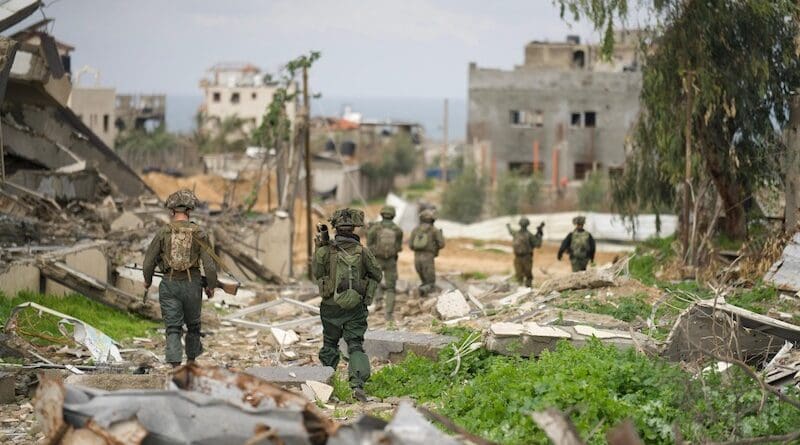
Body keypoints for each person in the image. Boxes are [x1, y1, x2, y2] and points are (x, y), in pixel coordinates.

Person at [312, 208, 382, 401]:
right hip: (355, 307)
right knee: (355, 345)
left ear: (335, 228)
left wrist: (319, 247)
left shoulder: (325, 251)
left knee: (329, 343)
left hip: (330, 306)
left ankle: (325, 384)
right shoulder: (363, 252)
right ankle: (357, 385)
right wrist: (366, 292)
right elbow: (377, 274)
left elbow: (316, 273)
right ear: (354, 229)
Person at [143, 189, 217, 368]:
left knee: (173, 328)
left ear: (172, 211)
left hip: (169, 285)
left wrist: (148, 281)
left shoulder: (163, 232)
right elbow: (209, 265)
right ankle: (191, 362)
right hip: (193, 285)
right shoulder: (199, 233)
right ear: (189, 211)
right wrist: (211, 286)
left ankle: (175, 367)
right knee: (193, 325)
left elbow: (148, 263)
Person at [366, 206, 403, 323]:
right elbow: (398, 247)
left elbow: (369, 243)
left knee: (375, 281)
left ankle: (378, 301)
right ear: (393, 215)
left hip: (377, 260)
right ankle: (388, 314)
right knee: (391, 288)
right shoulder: (397, 230)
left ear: (381, 214)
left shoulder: (375, 228)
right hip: (391, 261)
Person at [409, 209, 445, 296]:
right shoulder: (434, 230)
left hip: (417, 258)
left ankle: (422, 292)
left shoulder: (415, 230)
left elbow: (411, 245)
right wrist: (434, 248)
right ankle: (421, 292)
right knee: (431, 282)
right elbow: (442, 244)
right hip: (428, 257)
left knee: (424, 280)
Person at [506, 217, 543, 287]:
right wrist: (540, 236)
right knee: (520, 274)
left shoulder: (526, 234)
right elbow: (538, 244)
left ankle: (527, 288)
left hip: (526, 257)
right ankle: (521, 289)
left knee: (527, 274)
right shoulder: (520, 233)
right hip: (519, 257)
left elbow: (537, 244)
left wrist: (539, 234)